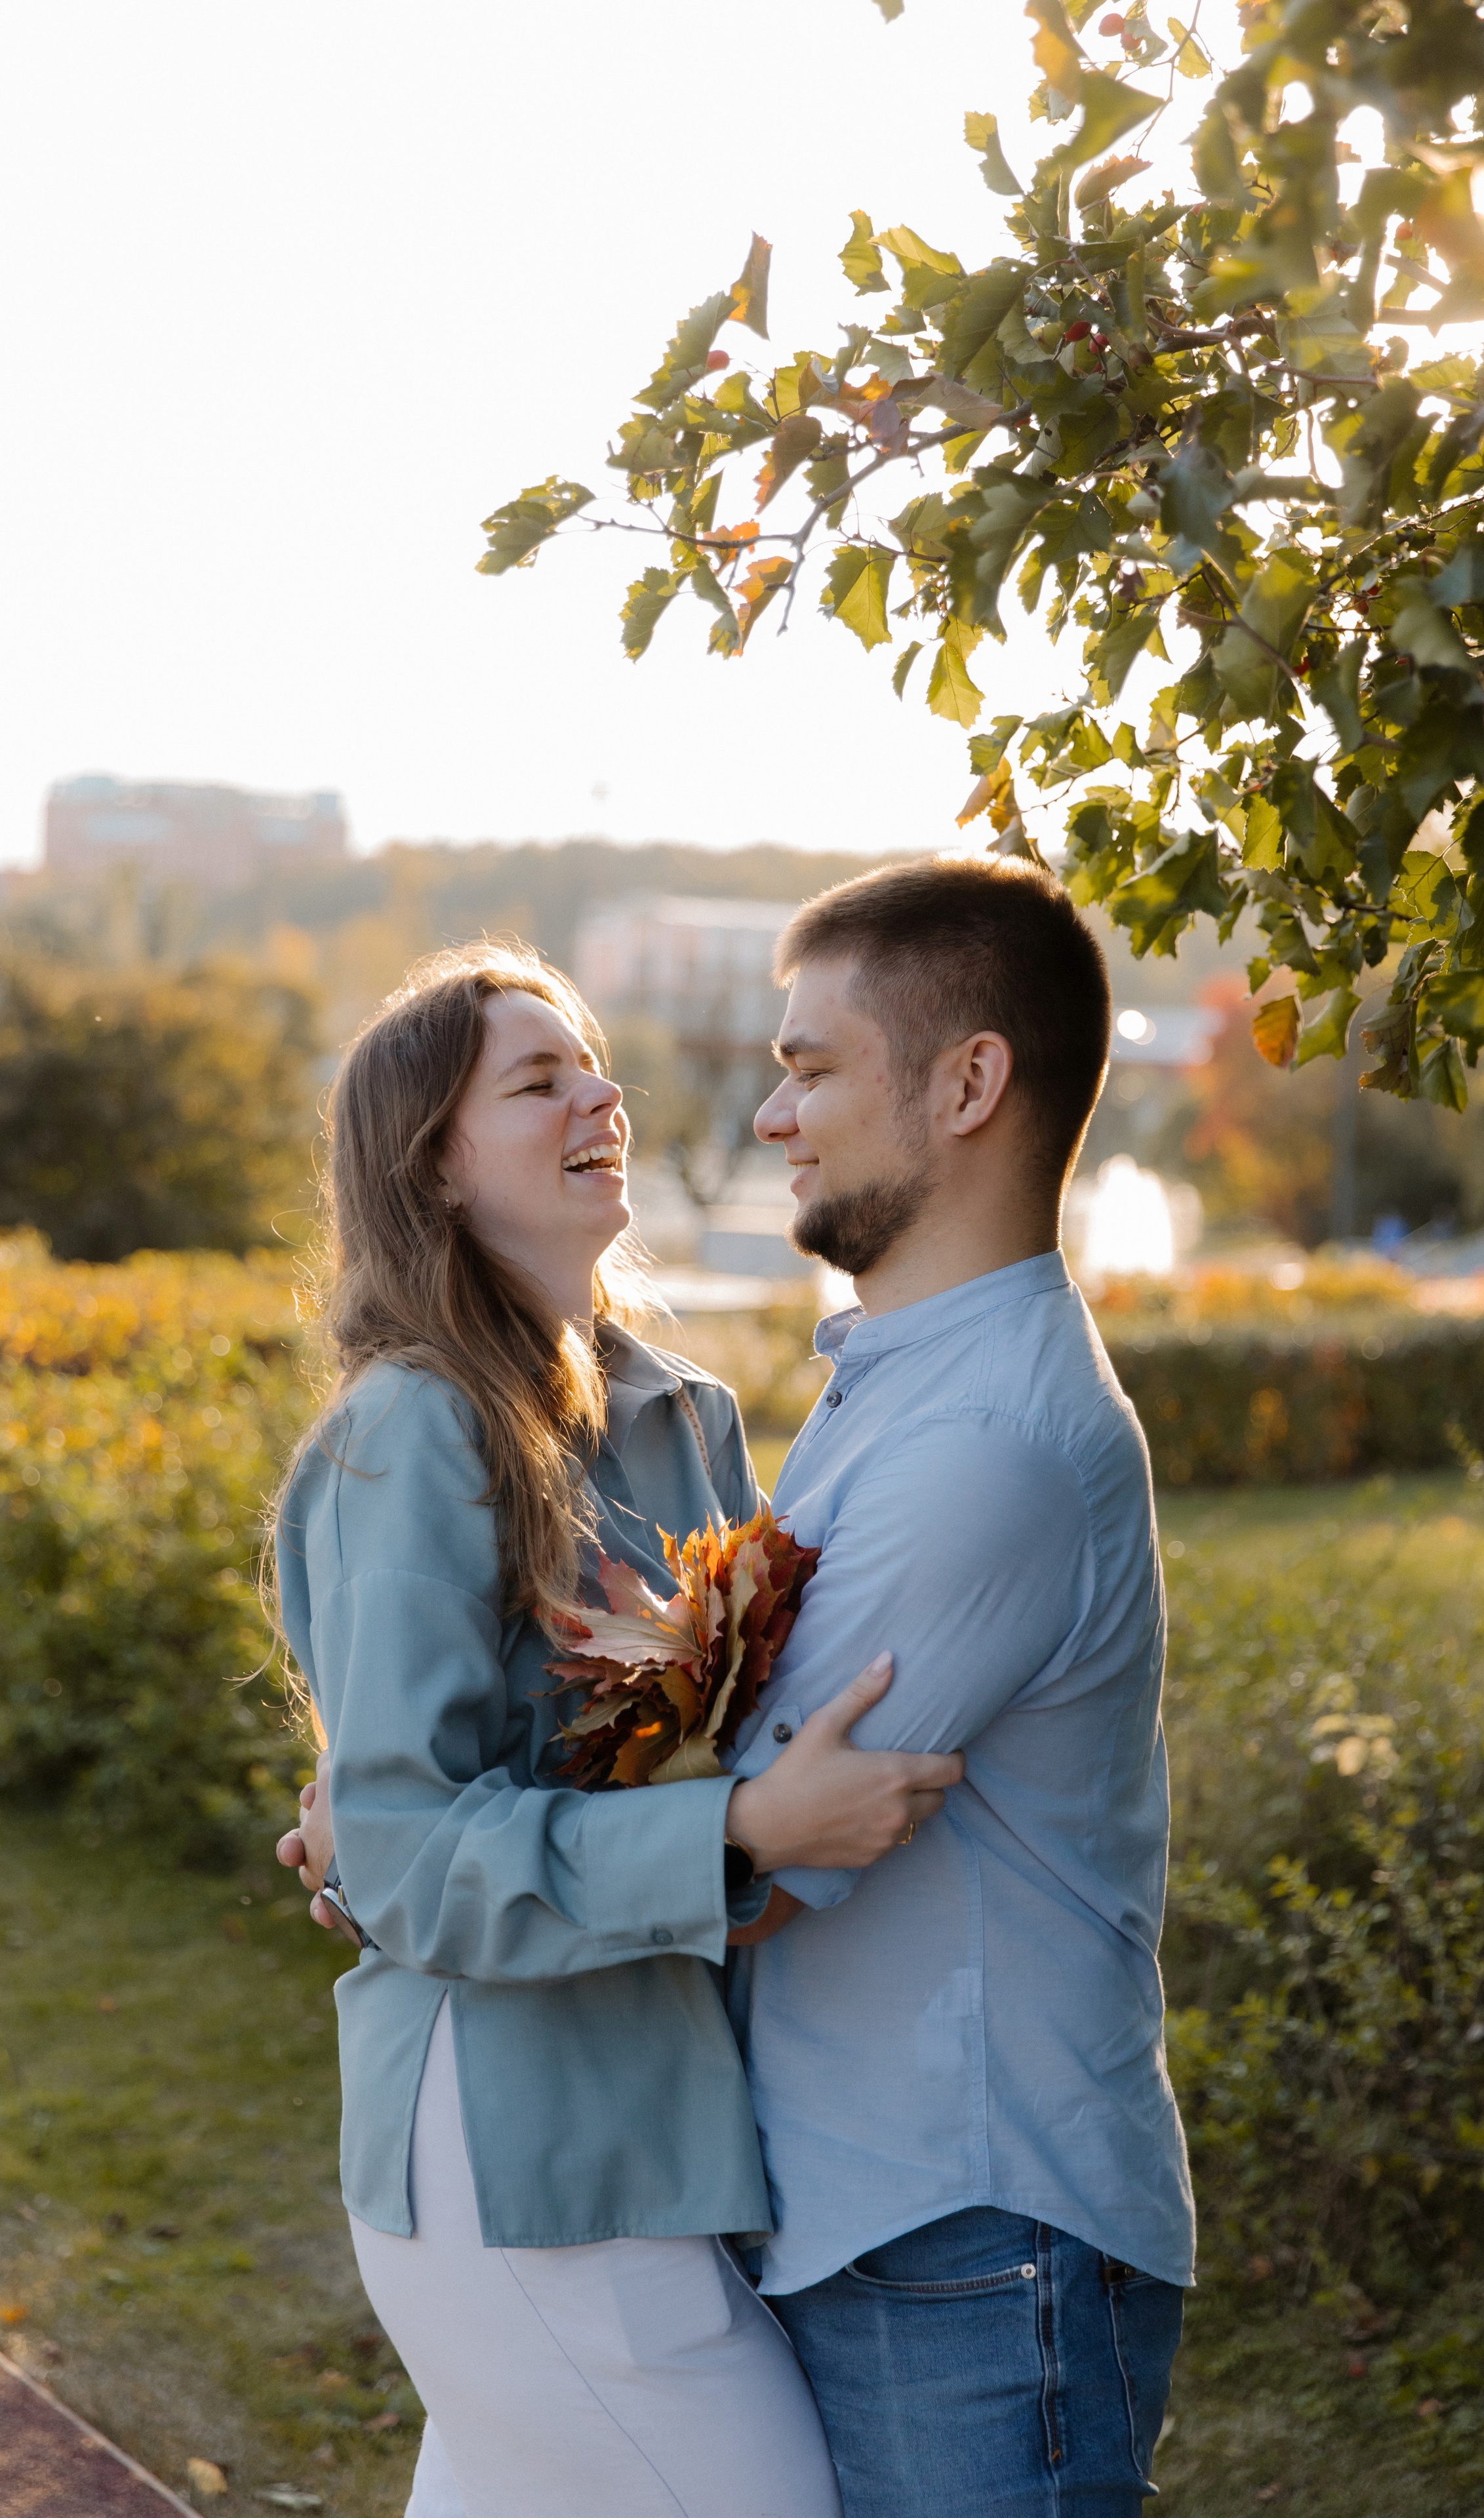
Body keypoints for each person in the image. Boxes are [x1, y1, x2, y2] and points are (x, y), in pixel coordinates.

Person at [271, 941, 959, 2518]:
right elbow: (409, 1850)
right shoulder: (414, 1432)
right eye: (538, 1081)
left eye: (591, 1063)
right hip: (522, 2156)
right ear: (433, 1167)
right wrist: (735, 1833)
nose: (602, 1096)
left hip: (668, 2124)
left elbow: (744, 1717)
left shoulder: (684, 1417)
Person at [717, 857, 1195, 2516]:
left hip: (970, 2245)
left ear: (967, 1082)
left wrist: (425, 1843)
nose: (774, 1116)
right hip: (896, 2217)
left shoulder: (985, 1444)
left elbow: (752, 1866)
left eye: (810, 1067)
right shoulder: (910, 1386)